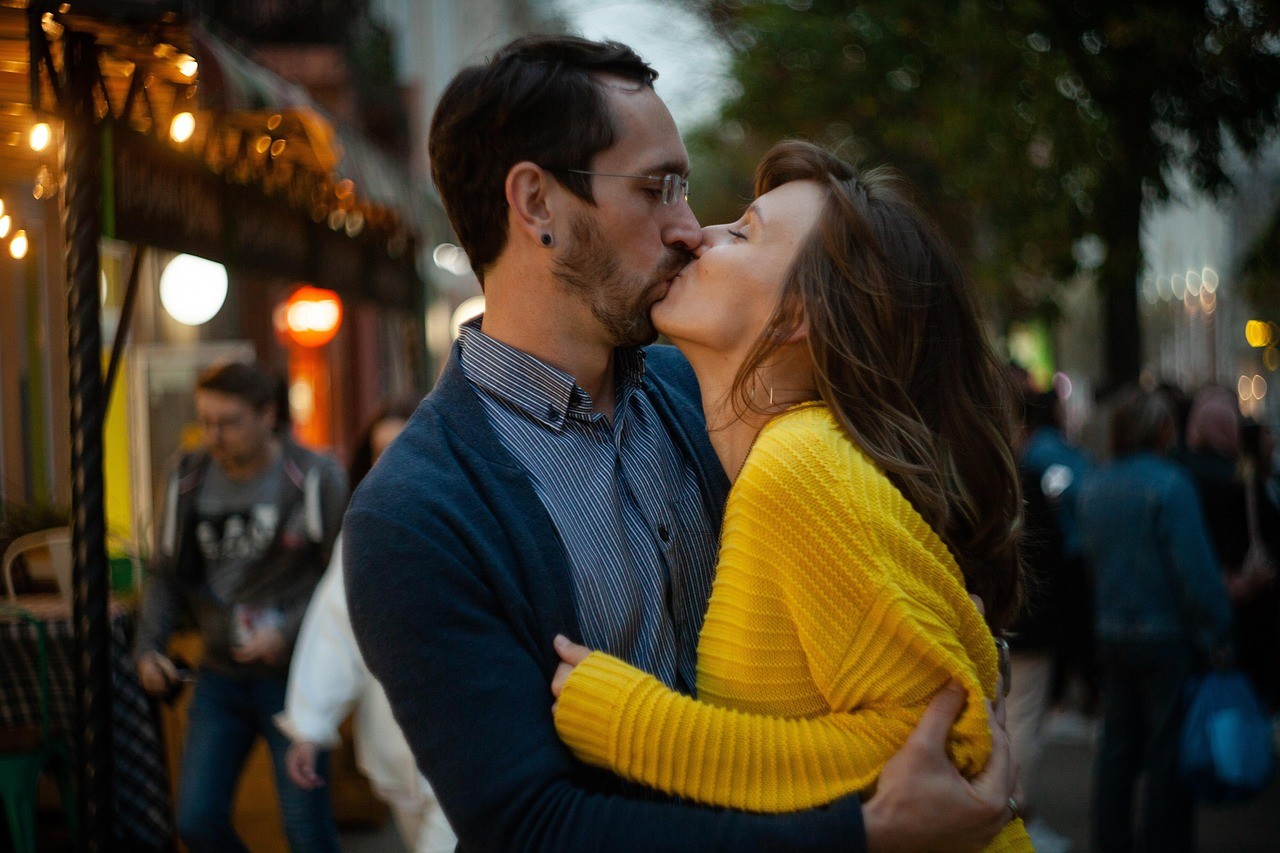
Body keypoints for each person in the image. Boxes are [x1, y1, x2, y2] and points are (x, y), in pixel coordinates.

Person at [345, 34, 1017, 853]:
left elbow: (899, 627)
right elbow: (530, 828)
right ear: (537, 204)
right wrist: (862, 834)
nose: (689, 227)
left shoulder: (720, 398)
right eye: (657, 188)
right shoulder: (413, 516)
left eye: (686, 190)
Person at [545, 141, 1031, 852]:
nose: (698, 235)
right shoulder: (788, 464)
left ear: (796, 313)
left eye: (743, 233)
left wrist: (639, 726)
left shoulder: (801, 467)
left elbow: (945, 744)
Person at [133, 361, 347, 853]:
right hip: (219, 674)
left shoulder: (313, 477)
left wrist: (286, 631)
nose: (214, 435)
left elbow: (342, 578)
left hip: (296, 678)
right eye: (205, 421)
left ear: (268, 415)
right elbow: (165, 573)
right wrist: (149, 648)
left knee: (306, 831)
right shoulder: (187, 477)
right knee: (196, 821)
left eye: (228, 422)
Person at [275, 401, 457, 853]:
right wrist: (310, 725)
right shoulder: (363, 534)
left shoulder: (471, 520)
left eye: (404, 446)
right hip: (396, 750)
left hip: (468, 751)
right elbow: (336, 629)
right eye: (379, 452)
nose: (391, 462)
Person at [1078, 387, 1233, 853]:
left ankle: (1111, 841)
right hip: (1166, 635)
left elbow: (1090, 565)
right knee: (1167, 755)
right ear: (1162, 430)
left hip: (1111, 631)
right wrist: (1218, 631)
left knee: (1117, 750)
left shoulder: (1094, 486)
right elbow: (1195, 573)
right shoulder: (1171, 484)